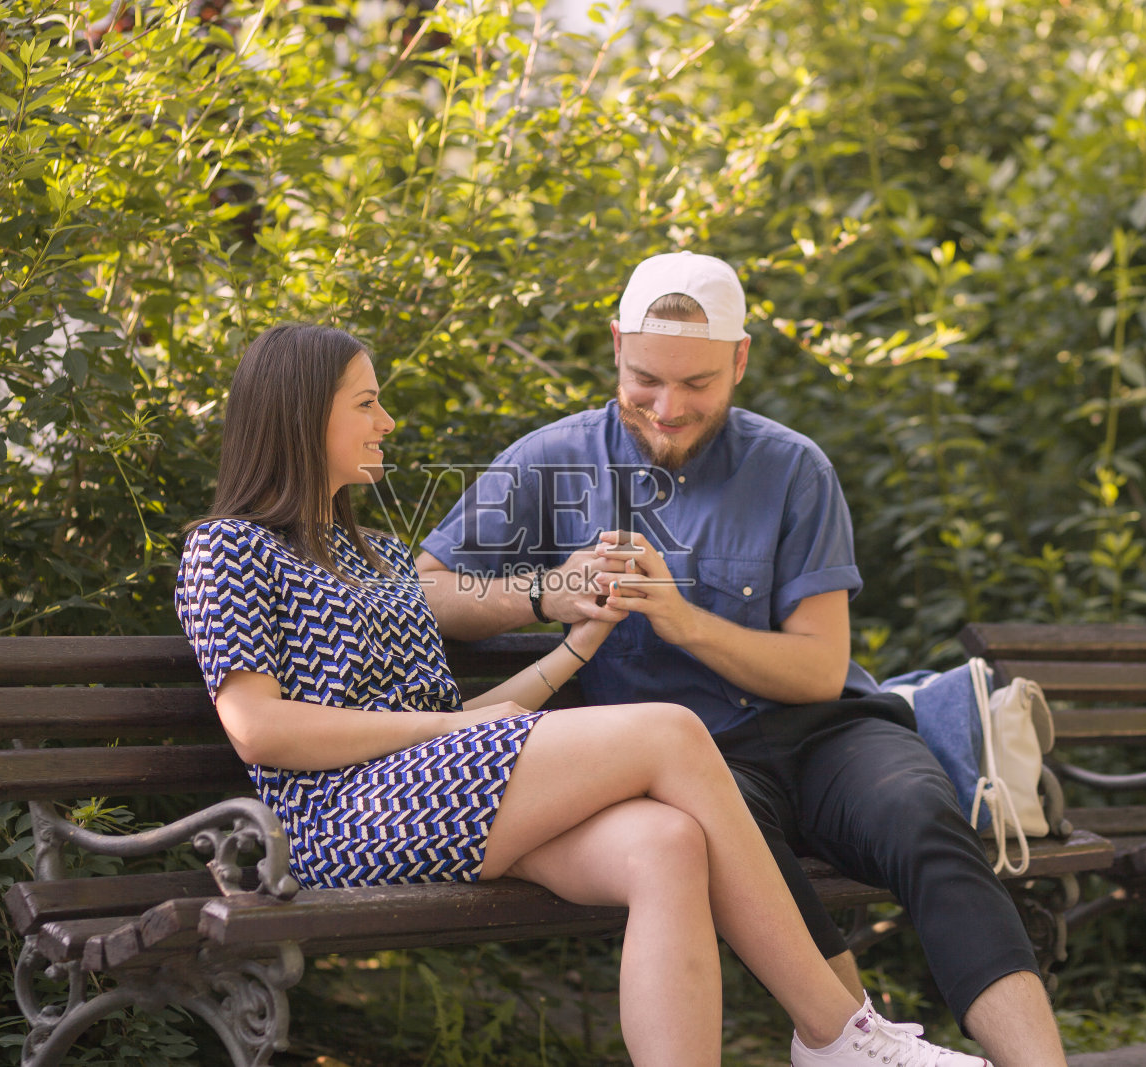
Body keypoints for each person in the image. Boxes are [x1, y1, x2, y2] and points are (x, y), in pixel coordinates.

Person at [176, 323, 989, 1067]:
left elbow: (461, 720)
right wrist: (433, 730)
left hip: (430, 791)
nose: (386, 420)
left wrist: (579, 634)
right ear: (299, 415)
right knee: (670, 732)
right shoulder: (227, 550)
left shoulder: (381, 556)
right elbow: (257, 728)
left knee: (668, 843)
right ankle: (835, 1030)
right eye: (367, 402)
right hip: (335, 822)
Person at [413, 252, 1069, 1067]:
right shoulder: (551, 462)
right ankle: (854, 1047)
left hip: (829, 734)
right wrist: (548, 590)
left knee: (926, 821)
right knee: (732, 840)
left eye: (697, 384)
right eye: (648, 378)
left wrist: (686, 622)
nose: (669, 407)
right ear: (615, 345)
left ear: (741, 360)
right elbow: (426, 590)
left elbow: (819, 671)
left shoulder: (794, 468)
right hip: (695, 765)